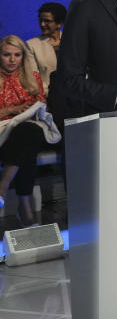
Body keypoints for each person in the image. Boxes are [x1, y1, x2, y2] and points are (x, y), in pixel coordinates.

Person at [0, 35, 60, 226]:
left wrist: (31, 109)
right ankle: (25, 204)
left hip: (30, 128)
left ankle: (3, 186)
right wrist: (12, 110)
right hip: (5, 132)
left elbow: (42, 104)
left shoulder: (32, 77)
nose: (12, 60)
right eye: (7, 55)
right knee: (27, 143)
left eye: (17, 55)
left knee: (28, 131)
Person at [25, 2, 67, 93]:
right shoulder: (31, 45)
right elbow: (33, 77)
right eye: (41, 20)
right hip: (46, 95)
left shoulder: (73, 41)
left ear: (59, 23)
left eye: (47, 21)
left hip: (75, 95)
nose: (42, 24)